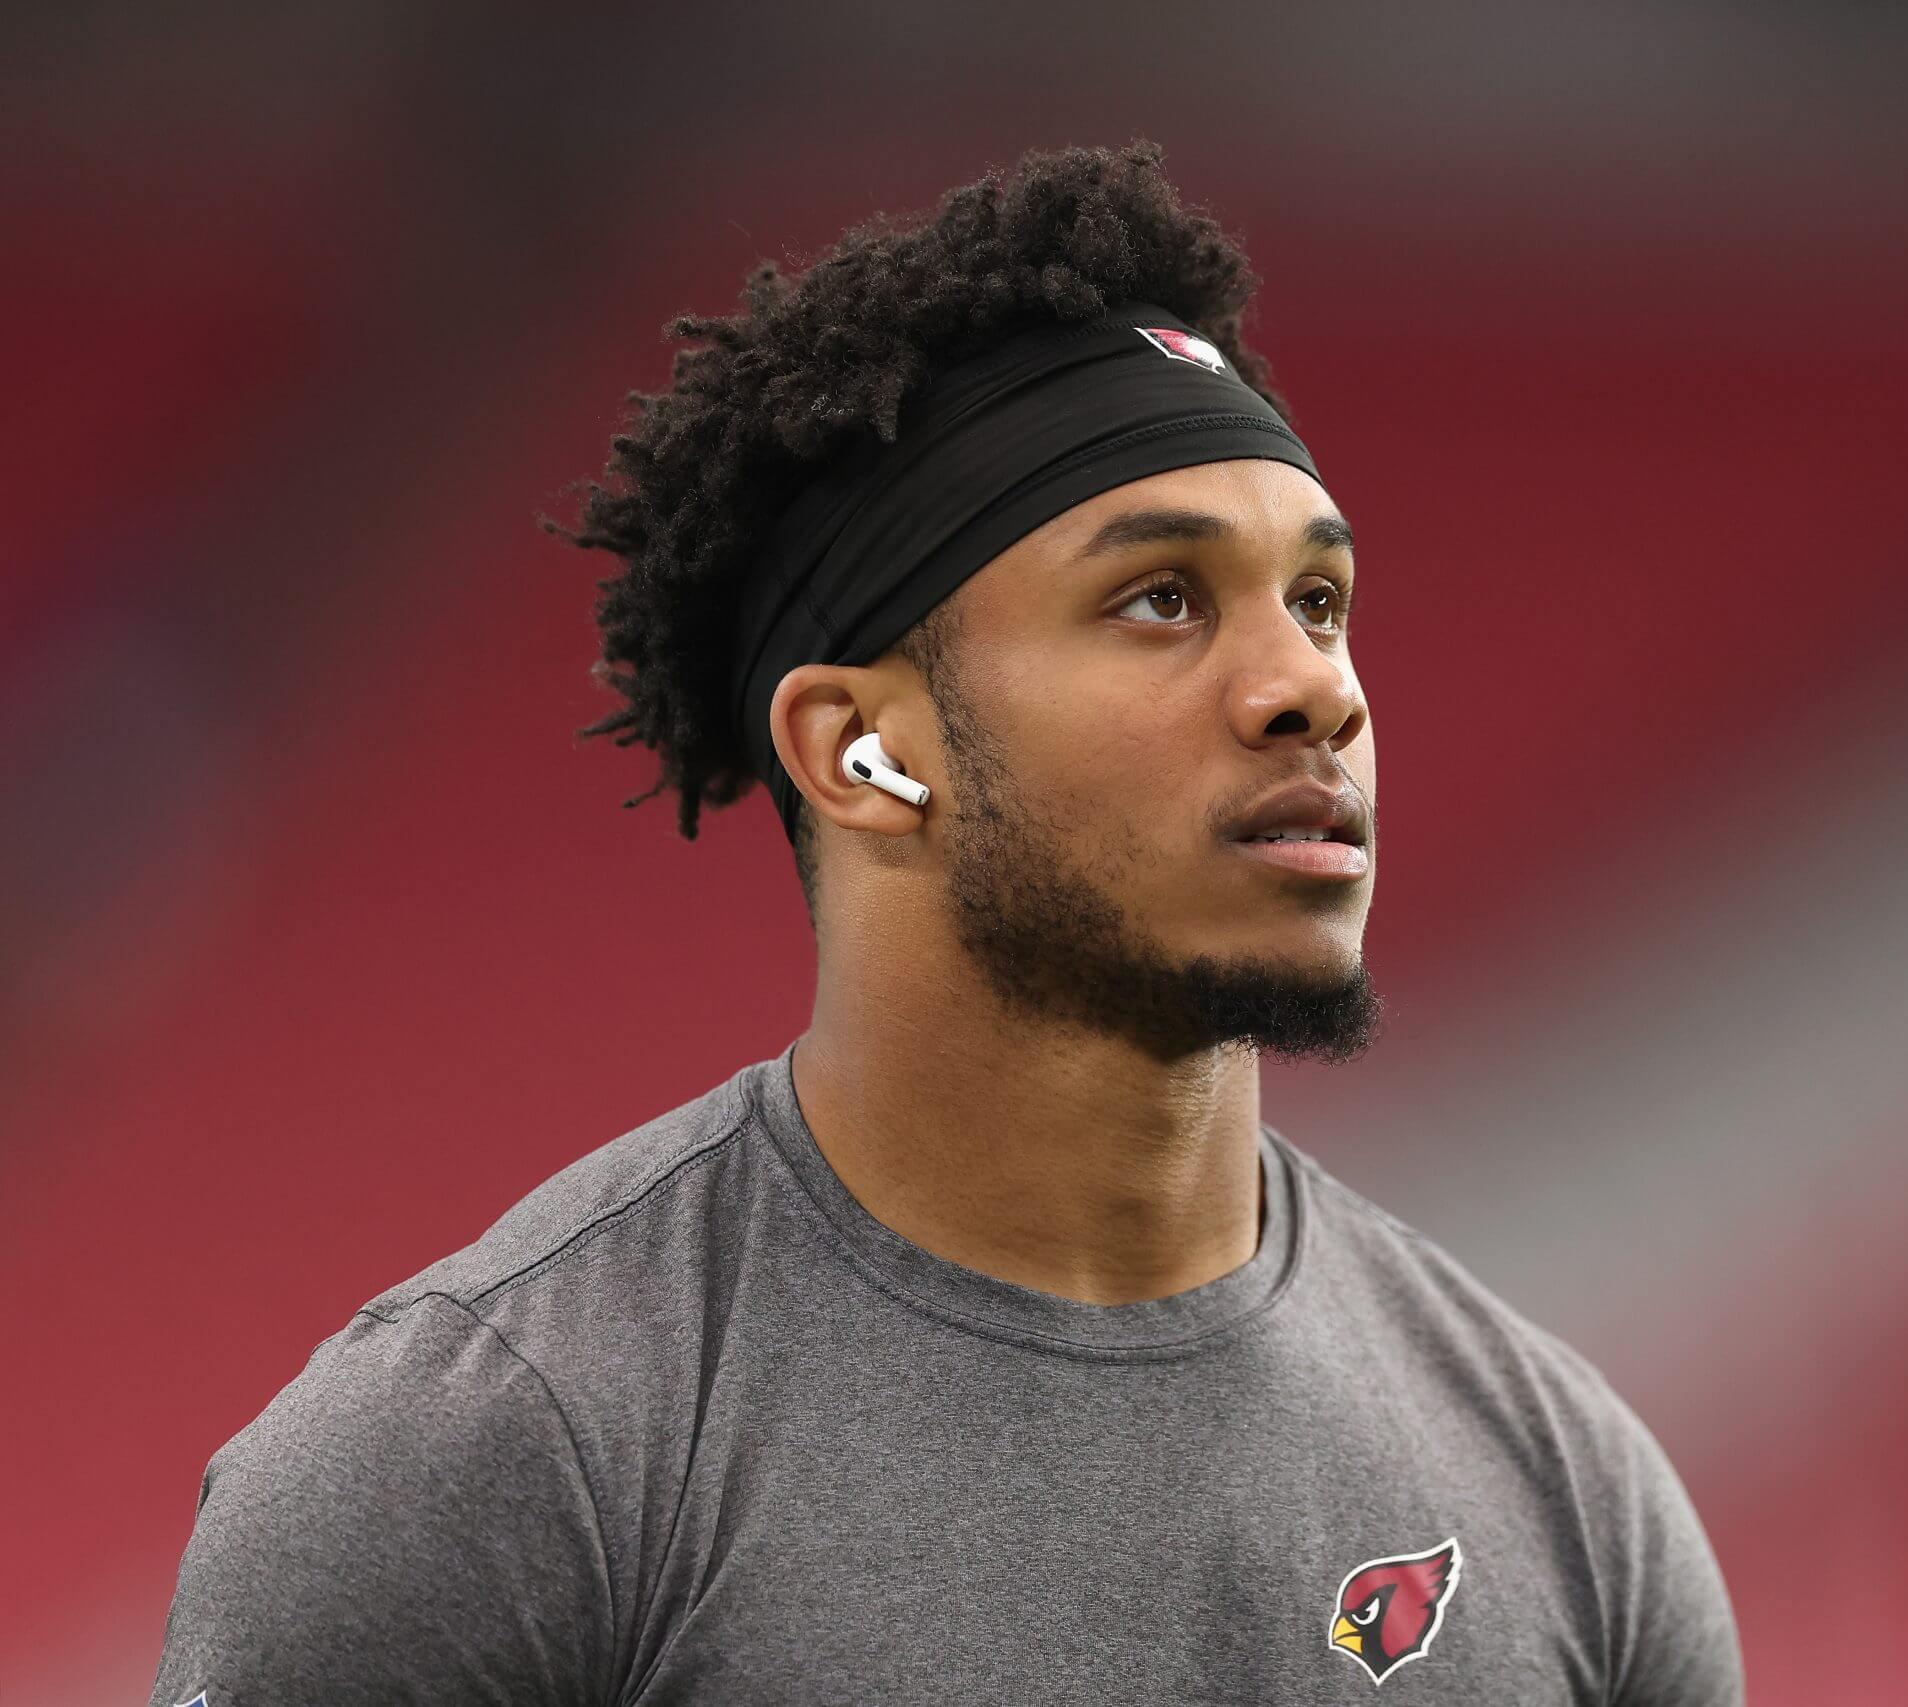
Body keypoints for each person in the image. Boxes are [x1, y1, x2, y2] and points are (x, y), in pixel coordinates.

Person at [149, 138, 1745, 1704]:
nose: (1309, 689)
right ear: (863, 753)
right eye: (1162, 600)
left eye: (1318, 603)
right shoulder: (497, 1453)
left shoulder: (1567, 1487)